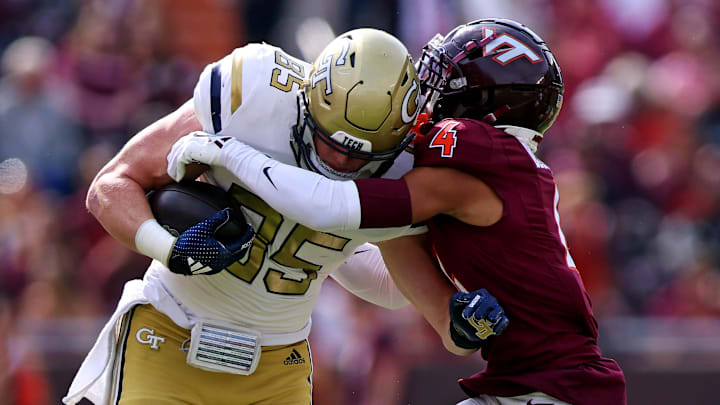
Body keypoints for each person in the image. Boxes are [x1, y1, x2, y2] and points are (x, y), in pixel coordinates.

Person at [168, 19, 627, 405]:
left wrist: (229, 155)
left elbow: (334, 207)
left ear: (484, 103)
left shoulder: (479, 150)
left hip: (555, 388)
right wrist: (460, 322)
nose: (426, 91)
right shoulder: (499, 167)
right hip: (526, 383)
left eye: (444, 76)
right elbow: (396, 277)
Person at [64, 28, 508, 405]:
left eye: (358, 157)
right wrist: (171, 249)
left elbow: (393, 285)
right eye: (327, 140)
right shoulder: (252, 96)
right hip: (169, 335)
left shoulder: (406, 169)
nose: (337, 161)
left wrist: (463, 315)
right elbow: (110, 186)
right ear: (309, 97)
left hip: (277, 368)